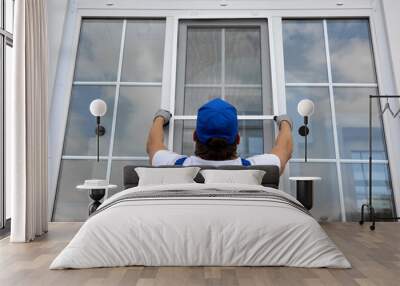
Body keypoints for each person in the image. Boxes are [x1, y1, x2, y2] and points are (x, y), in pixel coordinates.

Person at [146, 98, 293, 174]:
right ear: (238, 139)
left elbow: (153, 145)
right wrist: (285, 123)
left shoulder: (173, 166)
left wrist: (160, 118)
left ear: (195, 136)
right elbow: (284, 149)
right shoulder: (257, 171)